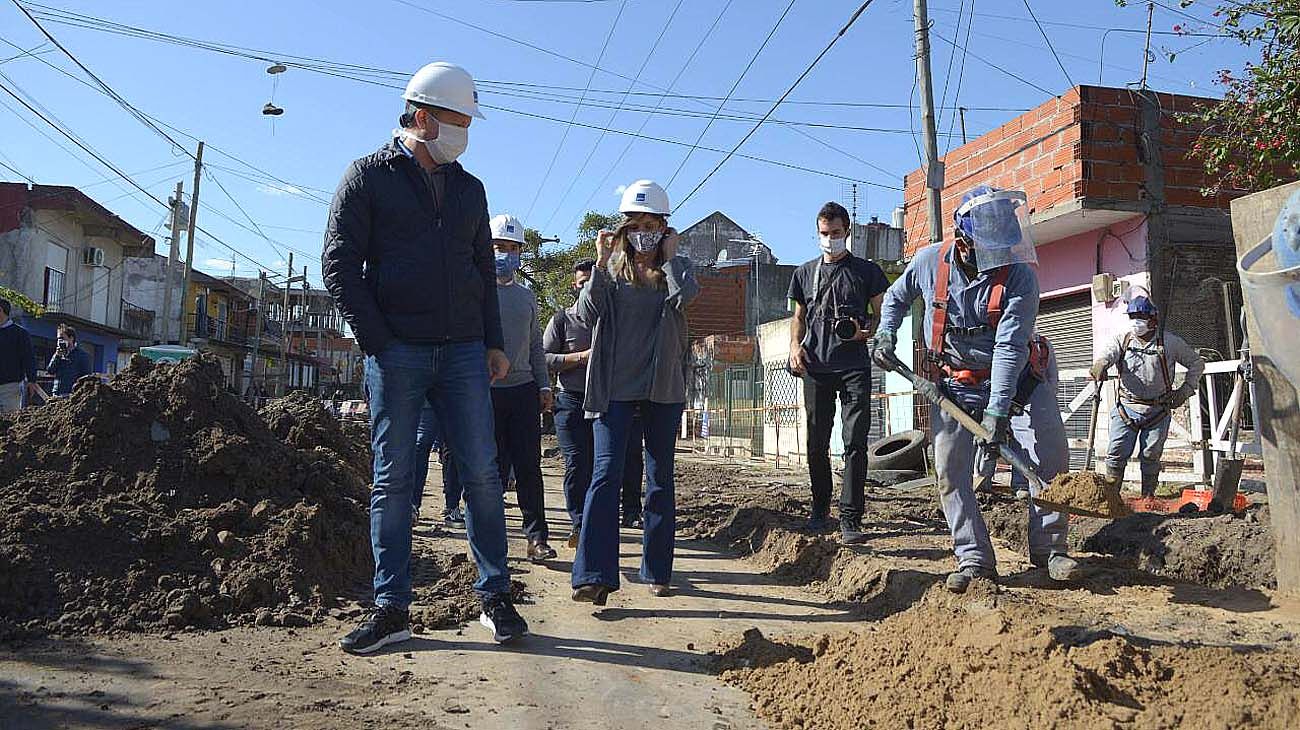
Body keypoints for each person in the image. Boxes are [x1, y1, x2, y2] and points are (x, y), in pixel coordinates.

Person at [323, 61, 527, 653]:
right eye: (459, 123)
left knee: (483, 476)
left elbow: (483, 272)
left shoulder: (470, 189)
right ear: (421, 118)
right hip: (399, 353)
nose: (466, 135)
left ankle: (495, 596)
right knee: (393, 480)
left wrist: (492, 341)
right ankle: (391, 608)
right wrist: (379, 342)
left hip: (464, 351)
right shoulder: (367, 178)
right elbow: (338, 266)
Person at [872, 185, 1079, 593]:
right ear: (965, 242)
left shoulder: (1020, 277)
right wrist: (884, 334)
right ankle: (974, 559)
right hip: (955, 384)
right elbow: (895, 298)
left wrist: (999, 411)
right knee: (950, 469)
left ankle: (1051, 548)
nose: (1001, 255)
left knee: (1050, 450)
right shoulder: (930, 261)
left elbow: (1009, 346)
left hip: (1019, 381)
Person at [571, 179, 699, 604]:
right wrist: (599, 260)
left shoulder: (675, 272)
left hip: (662, 389)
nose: (644, 231)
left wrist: (673, 258)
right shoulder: (608, 272)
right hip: (613, 390)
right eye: (636, 223)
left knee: (660, 477)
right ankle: (594, 575)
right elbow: (588, 313)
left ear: (664, 228)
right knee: (605, 475)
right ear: (624, 228)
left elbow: (686, 299)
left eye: (652, 224)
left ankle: (657, 569)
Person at [787, 201, 890, 543]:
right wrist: (794, 347)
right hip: (815, 365)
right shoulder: (804, 273)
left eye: (834, 233)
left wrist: (869, 330)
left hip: (854, 366)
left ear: (847, 231)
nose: (829, 239)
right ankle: (819, 510)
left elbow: (882, 312)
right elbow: (799, 317)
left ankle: (851, 518)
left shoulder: (867, 271)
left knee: (855, 442)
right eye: (823, 233)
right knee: (816, 442)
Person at [1090, 295, 1205, 505]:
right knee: (1116, 452)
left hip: (1157, 411)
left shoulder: (1170, 342)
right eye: (1133, 316)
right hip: (1126, 408)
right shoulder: (1122, 340)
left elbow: (1196, 364)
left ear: (1153, 319)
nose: (1136, 321)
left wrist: (1185, 390)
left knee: (1151, 455)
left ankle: (1148, 498)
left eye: (1141, 316)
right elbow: (1108, 353)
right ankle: (1112, 498)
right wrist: (1100, 364)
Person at [488, 213, 556, 563]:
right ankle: (491, 540)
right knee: (492, 469)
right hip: (486, 393)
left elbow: (534, 346)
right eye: (500, 246)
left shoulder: (527, 296)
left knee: (529, 467)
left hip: (523, 390)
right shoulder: (476, 290)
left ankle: (537, 538)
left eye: (513, 248)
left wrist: (544, 386)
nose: (506, 253)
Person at [543, 259, 595, 549]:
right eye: (581, 282)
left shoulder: (610, 321)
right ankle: (578, 523)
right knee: (576, 462)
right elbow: (544, 358)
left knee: (600, 466)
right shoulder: (562, 320)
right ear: (574, 287)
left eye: (592, 281)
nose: (586, 286)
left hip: (605, 404)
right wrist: (580, 357)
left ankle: (595, 523)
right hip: (570, 401)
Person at [411, 402, 463, 527]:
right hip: (427, 398)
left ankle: (452, 506)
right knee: (421, 444)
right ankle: (412, 505)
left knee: (454, 449)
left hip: (454, 397)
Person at [0, 298, 38, 412]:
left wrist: (32, 380)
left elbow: (29, 358)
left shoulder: (20, 334)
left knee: (8, 422)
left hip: (10, 386)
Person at [47, 324, 93, 397]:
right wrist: (57, 356)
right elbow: (50, 370)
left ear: (71, 338)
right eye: (58, 339)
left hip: (71, 395)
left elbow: (87, 377)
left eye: (62, 338)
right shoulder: (58, 354)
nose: (59, 341)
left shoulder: (82, 356)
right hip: (56, 394)